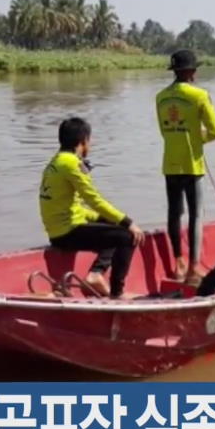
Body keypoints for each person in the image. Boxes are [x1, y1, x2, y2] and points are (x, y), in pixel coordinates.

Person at [39, 117, 144, 298]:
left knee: (112, 224)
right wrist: (128, 222)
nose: (91, 144)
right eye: (90, 140)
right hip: (66, 233)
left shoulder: (55, 162)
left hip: (59, 229)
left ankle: (96, 275)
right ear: (82, 141)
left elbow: (75, 206)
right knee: (127, 236)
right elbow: (94, 200)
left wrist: (102, 218)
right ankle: (115, 291)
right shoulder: (72, 164)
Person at [156, 49, 215, 284]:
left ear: (174, 71)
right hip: (192, 165)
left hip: (170, 163)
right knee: (195, 215)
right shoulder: (200, 96)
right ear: (192, 72)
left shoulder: (161, 97)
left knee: (174, 214)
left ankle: (178, 263)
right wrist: (197, 138)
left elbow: (164, 131)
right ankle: (194, 267)